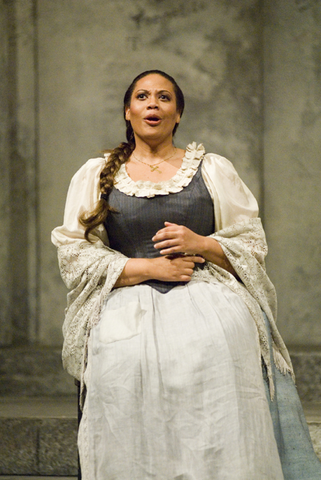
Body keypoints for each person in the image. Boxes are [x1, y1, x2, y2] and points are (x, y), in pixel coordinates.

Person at [51, 70, 321, 480]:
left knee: (220, 342)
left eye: (164, 97)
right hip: (129, 295)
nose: (153, 104)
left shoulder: (212, 168)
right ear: (128, 111)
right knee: (121, 357)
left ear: (178, 114)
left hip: (206, 290)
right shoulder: (97, 173)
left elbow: (252, 245)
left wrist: (202, 242)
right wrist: (147, 267)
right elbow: (74, 251)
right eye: (142, 96)